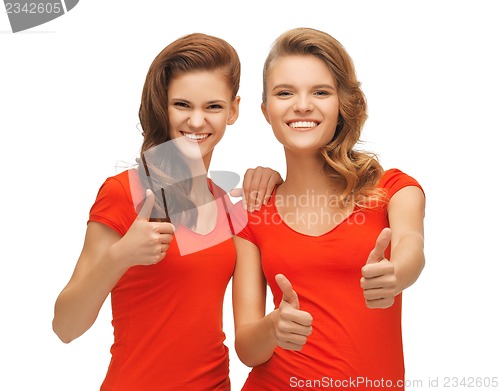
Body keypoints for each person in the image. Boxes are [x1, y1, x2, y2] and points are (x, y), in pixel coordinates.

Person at [52, 32, 282, 390]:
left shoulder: (227, 205)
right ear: (163, 105)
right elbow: (65, 327)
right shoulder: (125, 192)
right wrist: (120, 257)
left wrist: (273, 177)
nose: (196, 121)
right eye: (182, 105)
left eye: (213, 107)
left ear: (234, 110)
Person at [232, 27, 426, 390]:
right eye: (285, 92)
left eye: (320, 92)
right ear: (265, 110)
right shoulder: (252, 212)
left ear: (342, 104)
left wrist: (395, 275)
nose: (302, 105)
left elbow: (410, 246)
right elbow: (247, 348)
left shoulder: (392, 189)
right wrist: (273, 327)